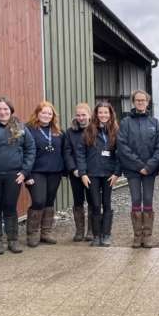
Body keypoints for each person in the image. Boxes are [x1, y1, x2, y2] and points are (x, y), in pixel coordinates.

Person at [118, 90, 159, 249]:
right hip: (133, 170)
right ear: (133, 102)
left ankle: (148, 236)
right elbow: (122, 146)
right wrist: (139, 166)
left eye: (143, 100)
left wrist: (149, 166)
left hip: (150, 170)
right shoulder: (125, 123)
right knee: (136, 199)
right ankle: (137, 236)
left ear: (147, 102)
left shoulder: (155, 123)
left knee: (148, 200)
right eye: (137, 100)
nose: (140, 102)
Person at [0, 97, 35, 255]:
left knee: (10, 207)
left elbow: (31, 150)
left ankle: (13, 240)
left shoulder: (21, 128)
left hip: (14, 175)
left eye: (5, 109)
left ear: (11, 111)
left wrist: (24, 172)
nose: (2, 112)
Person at [76, 103, 121, 247]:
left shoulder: (116, 131)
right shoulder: (89, 131)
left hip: (109, 174)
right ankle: (96, 235)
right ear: (96, 114)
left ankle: (106, 234)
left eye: (106, 112)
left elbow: (121, 154)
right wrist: (83, 173)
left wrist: (116, 173)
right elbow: (81, 153)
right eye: (100, 112)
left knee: (106, 203)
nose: (103, 115)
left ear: (110, 114)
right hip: (92, 173)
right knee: (95, 203)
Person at [25, 102, 66, 247]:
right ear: (37, 113)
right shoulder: (28, 129)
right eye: (43, 113)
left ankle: (46, 233)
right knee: (38, 200)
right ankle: (32, 234)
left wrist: (65, 170)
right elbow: (24, 152)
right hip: (36, 171)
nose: (46, 116)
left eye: (50, 114)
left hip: (55, 171)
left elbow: (64, 151)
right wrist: (26, 174)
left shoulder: (58, 130)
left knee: (49, 201)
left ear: (53, 116)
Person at [64, 103, 94, 242]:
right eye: (78, 115)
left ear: (89, 115)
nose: (81, 118)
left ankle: (91, 230)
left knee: (92, 200)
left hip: (92, 172)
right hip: (76, 173)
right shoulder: (70, 132)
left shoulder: (95, 129)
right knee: (78, 200)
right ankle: (79, 230)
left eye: (83, 115)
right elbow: (67, 152)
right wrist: (73, 169)